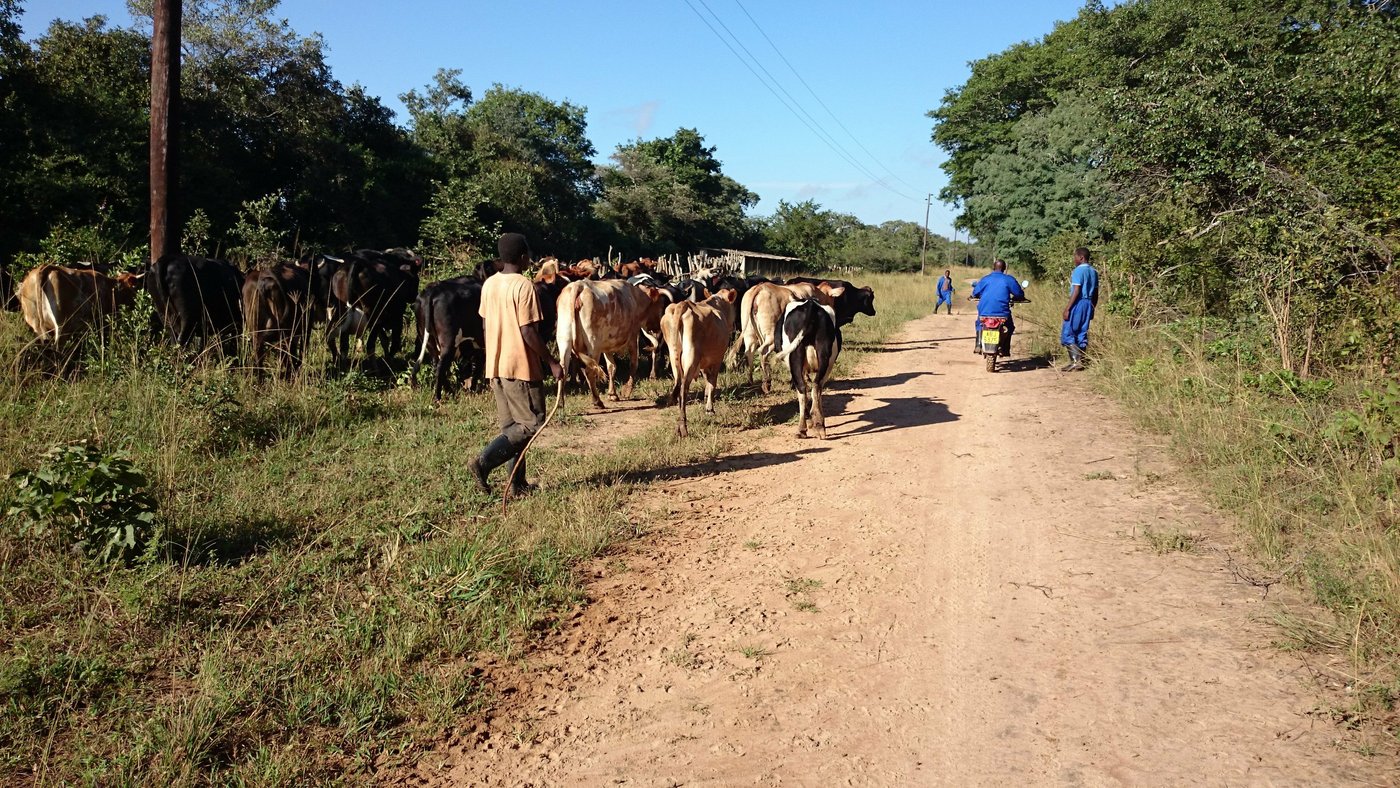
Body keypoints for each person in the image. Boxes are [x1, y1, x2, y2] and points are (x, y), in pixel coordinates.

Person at [469, 233, 565, 495]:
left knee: (512, 428)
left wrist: (493, 356)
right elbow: (528, 332)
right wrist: (552, 362)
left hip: (496, 364)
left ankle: (517, 484)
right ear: (523, 256)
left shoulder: (489, 284)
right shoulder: (524, 286)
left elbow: (486, 325)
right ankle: (483, 462)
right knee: (531, 423)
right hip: (521, 366)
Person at [970, 259, 1026, 353]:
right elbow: (1019, 294)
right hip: (1002, 313)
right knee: (1010, 327)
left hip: (985, 311)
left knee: (980, 323)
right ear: (1004, 268)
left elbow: (975, 292)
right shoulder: (1009, 279)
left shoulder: (985, 279)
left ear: (993, 267)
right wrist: (1019, 297)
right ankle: (1005, 348)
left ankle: (978, 344)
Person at [1060, 247, 1099, 371]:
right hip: (1088, 303)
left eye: (1075, 257)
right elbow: (1096, 293)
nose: (1074, 259)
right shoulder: (1093, 271)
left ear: (1081, 257)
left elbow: (1076, 290)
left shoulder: (1078, 271)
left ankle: (1075, 362)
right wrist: (1093, 308)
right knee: (1082, 332)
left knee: (1068, 332)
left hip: (1078, 303)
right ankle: (1081, 360)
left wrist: (1067, 308)